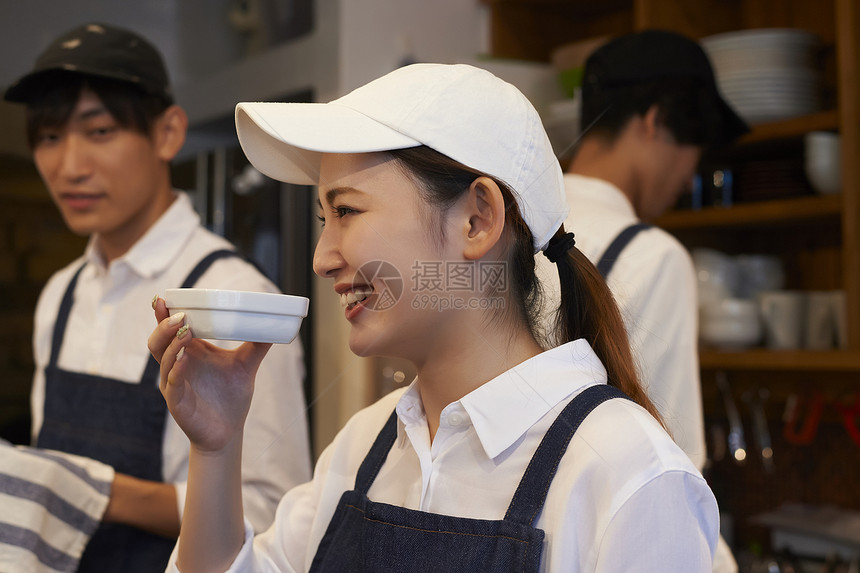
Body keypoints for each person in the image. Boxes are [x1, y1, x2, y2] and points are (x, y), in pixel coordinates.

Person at [149, 62, 720, 572]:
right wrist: (217, 449)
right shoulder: (364, 446)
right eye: (325, 219)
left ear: (477, 219)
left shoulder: (629, 474)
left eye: (346, 210)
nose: (323, 260)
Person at [3, 22, 311, 572]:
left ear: (168, 133)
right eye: (49, 137)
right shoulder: (60, 294)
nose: (69, 166)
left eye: (99, 132)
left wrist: (91, 489)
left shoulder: (234, 297)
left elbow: (270, 512)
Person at [535, 30, 749, 573]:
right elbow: (673, 469)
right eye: (692, 150)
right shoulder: (652, 255)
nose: (687, 175)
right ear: (653, 121)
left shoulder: (501, 227)